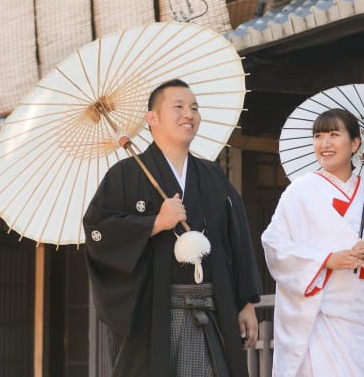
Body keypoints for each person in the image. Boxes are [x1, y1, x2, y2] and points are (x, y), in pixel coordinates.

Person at [84, 79, 261, 377]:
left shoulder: (213, 176)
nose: (189, 114)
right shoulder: (125, 175)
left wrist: (246, 302)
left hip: (213, 310)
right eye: (178, 107)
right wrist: (154, 223)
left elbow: (237, 239)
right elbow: (98, 234)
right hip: (155, 316)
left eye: (194, 108)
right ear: (151, 118)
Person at [262, 107, 364, 377]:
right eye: (319, 136)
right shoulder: (299, 192)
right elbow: (275, 245)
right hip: (321, 318)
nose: (325, 144)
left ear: (355, 143)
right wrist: (326, 260)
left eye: (334, 134)